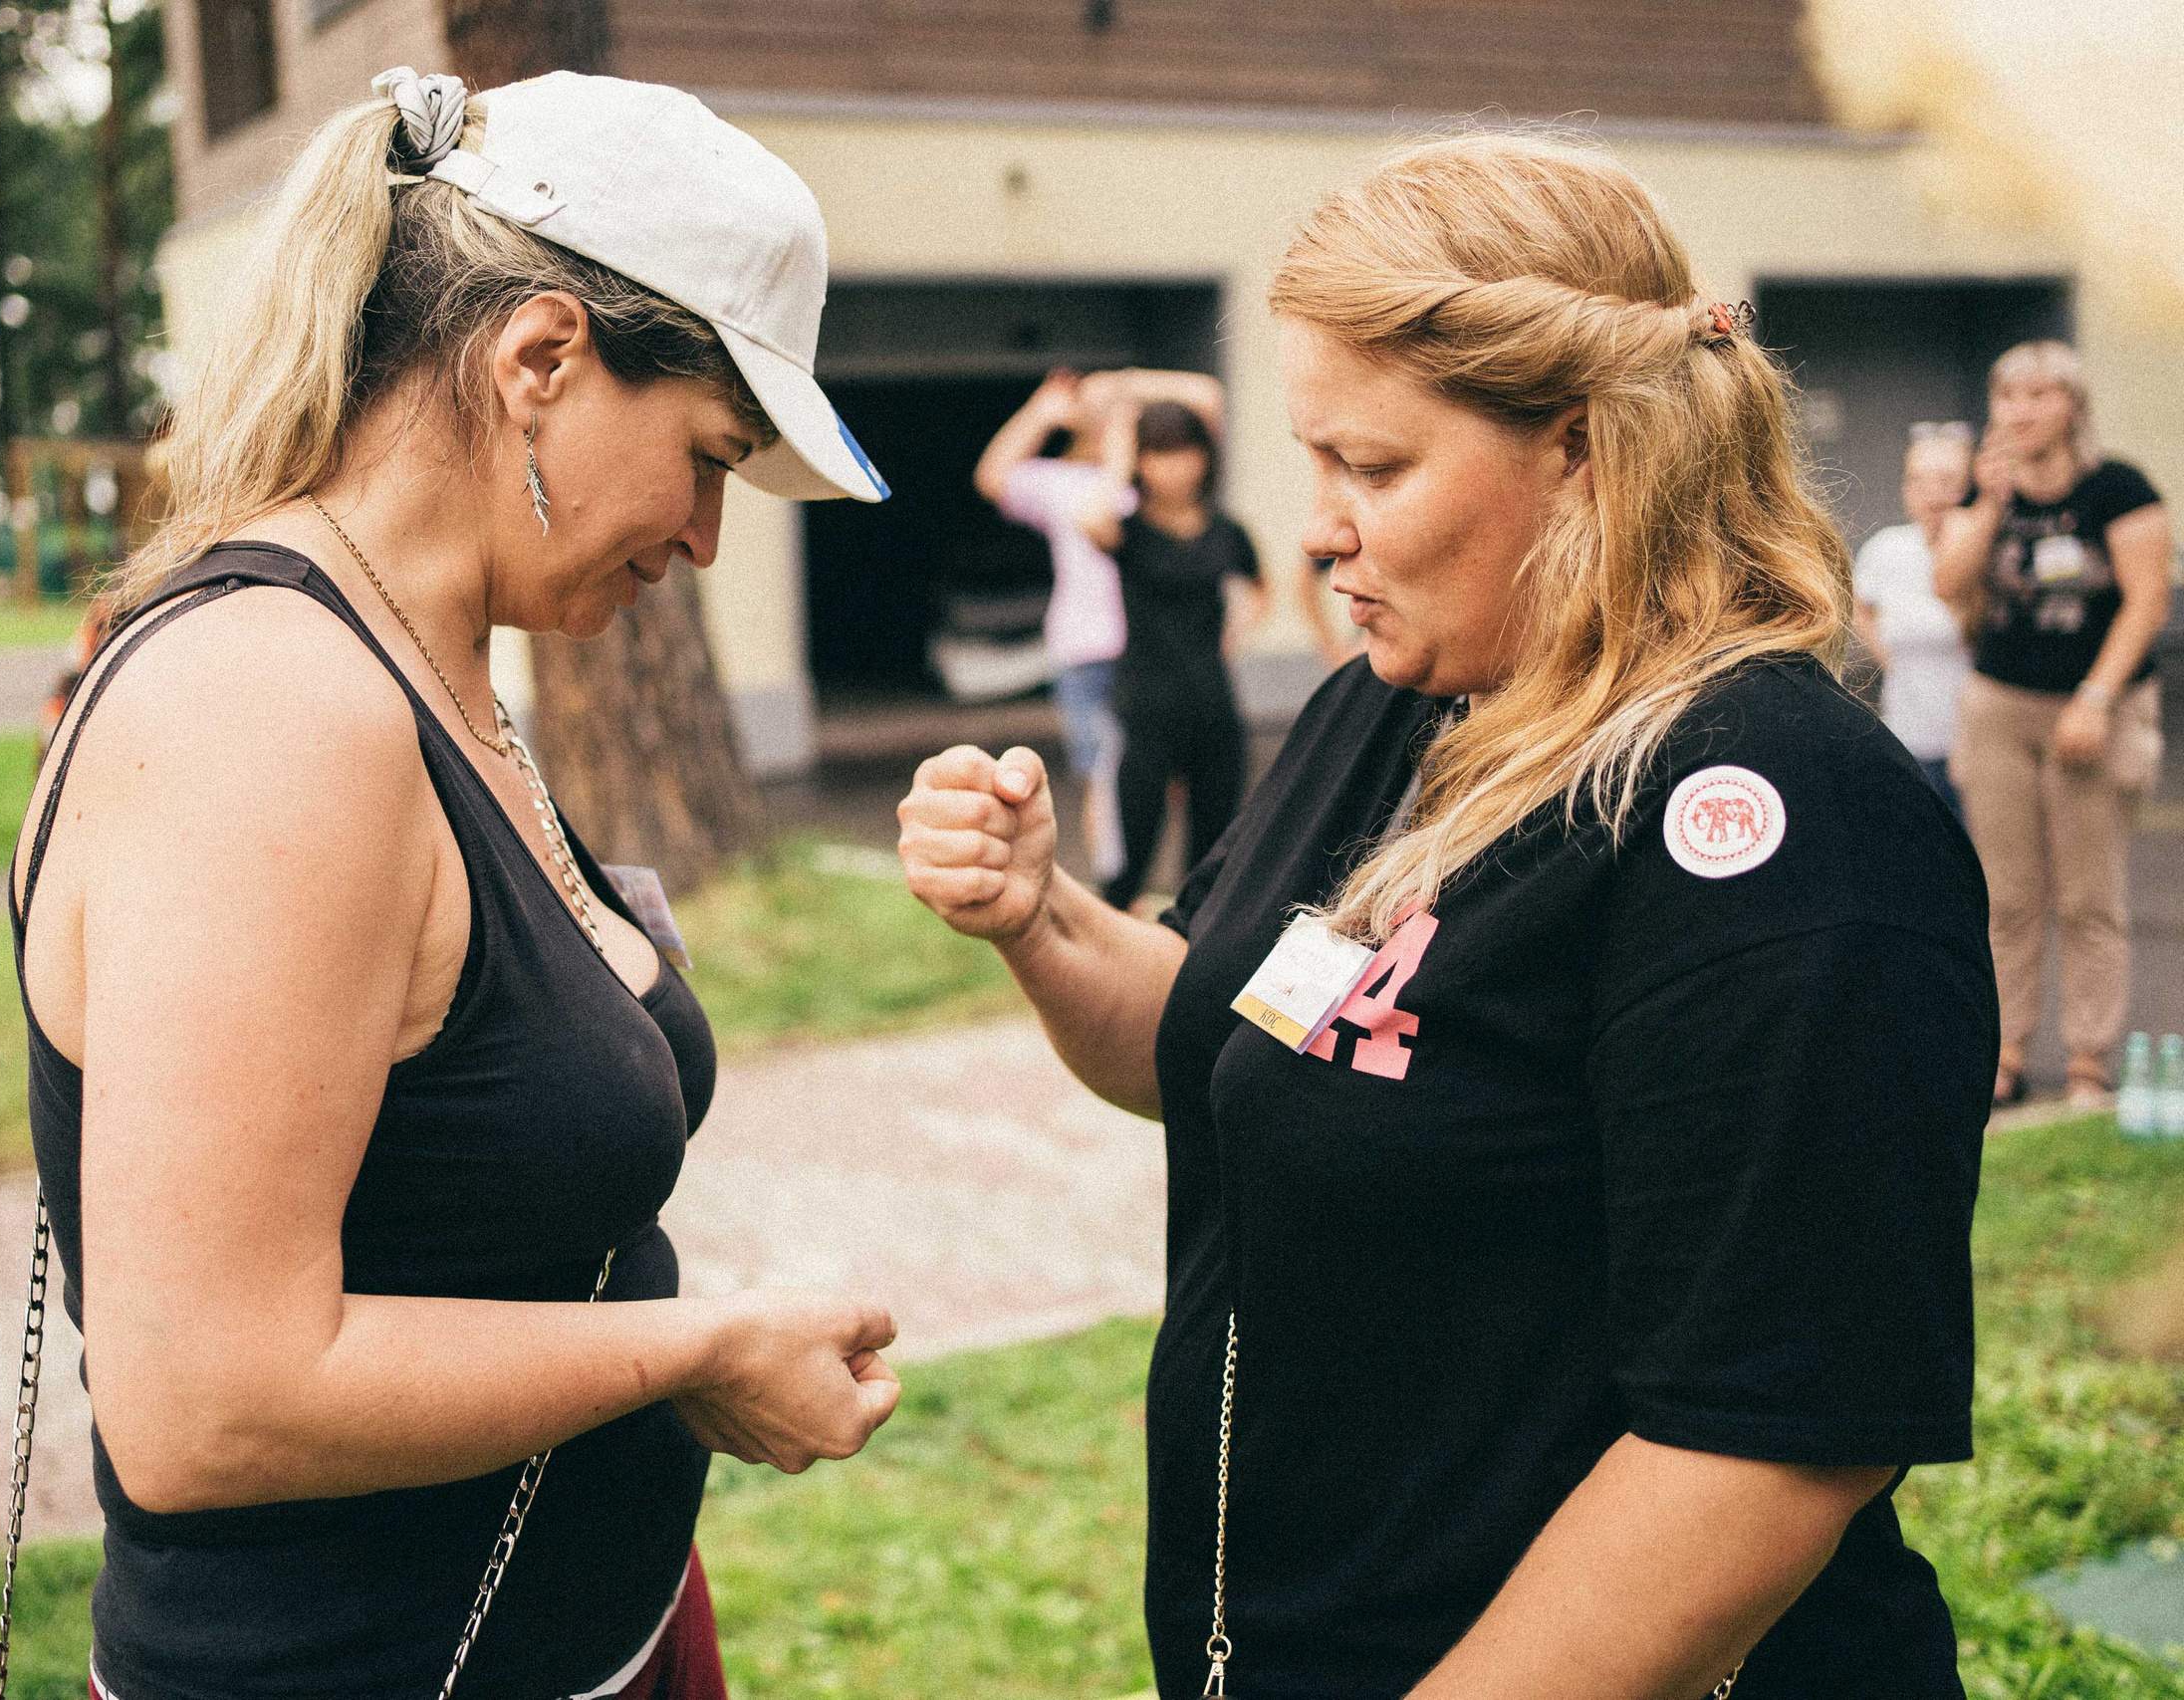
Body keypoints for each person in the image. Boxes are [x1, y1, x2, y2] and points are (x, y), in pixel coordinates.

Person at [900, 132, 1990, 1699]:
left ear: (1584, 451)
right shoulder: (1390, 705)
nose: (1322, 529)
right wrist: (1040, 914)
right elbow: (1221, 1036)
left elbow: (1761, 1451)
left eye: (1375, 467)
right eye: (1314, 461)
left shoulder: (1771, 810)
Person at [12, 69, 901, 1700]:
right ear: (540, 358)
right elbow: (211, 1400)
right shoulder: (272, 706)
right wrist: (696, 1348)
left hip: (584, 1625)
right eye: (708, 454)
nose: (709, 535)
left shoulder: (442, 661)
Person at [1935, 340, 2171, 1110]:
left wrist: (2096, 699)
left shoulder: (2118, 487)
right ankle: (2003, 1054)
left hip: (2094, 708)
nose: (2021, 411)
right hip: (2001, 705)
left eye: (2038, 396)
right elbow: (1948, 582)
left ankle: (2088, 1062)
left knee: (2087, 895)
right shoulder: (1991, 486)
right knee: (2006, 895)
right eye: (2007, 397)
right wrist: (1989, 504)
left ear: (2072, 405)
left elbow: (2146, 601)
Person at [976, 366, 1225, 880]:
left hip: (1167, 652)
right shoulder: (1065, 483)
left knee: (1179, 779)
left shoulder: (1160, 484)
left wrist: (1123, 383)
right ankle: (1119, 887)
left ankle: (1167, 885)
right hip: (1090, 651)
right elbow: (992, 477)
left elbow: (1209, 397)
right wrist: (1040, 412)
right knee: (1108, 777)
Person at [1072, 398, 1266, 909]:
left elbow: (1258, 586)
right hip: (1144, 711)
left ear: (1204, 456)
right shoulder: (1128, 531)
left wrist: (1236, 635)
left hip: (1213, 709)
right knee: (1127, 866)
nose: (1173, 466)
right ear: (1141, 461)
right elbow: (1092, 521)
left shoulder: (1225, 529)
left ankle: (1189, 968)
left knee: (1212, 863)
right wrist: (1117, 459)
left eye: (1183, 451)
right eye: (1157, 453)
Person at [1852, 421, 1976, 818]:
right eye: (1918, 480)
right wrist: (1891, 661)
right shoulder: (1887, 548)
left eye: (1946, 480)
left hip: (1977, 743)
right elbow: (1859, 607)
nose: (1932, 493)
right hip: (1909, 737)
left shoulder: (1986, 547)